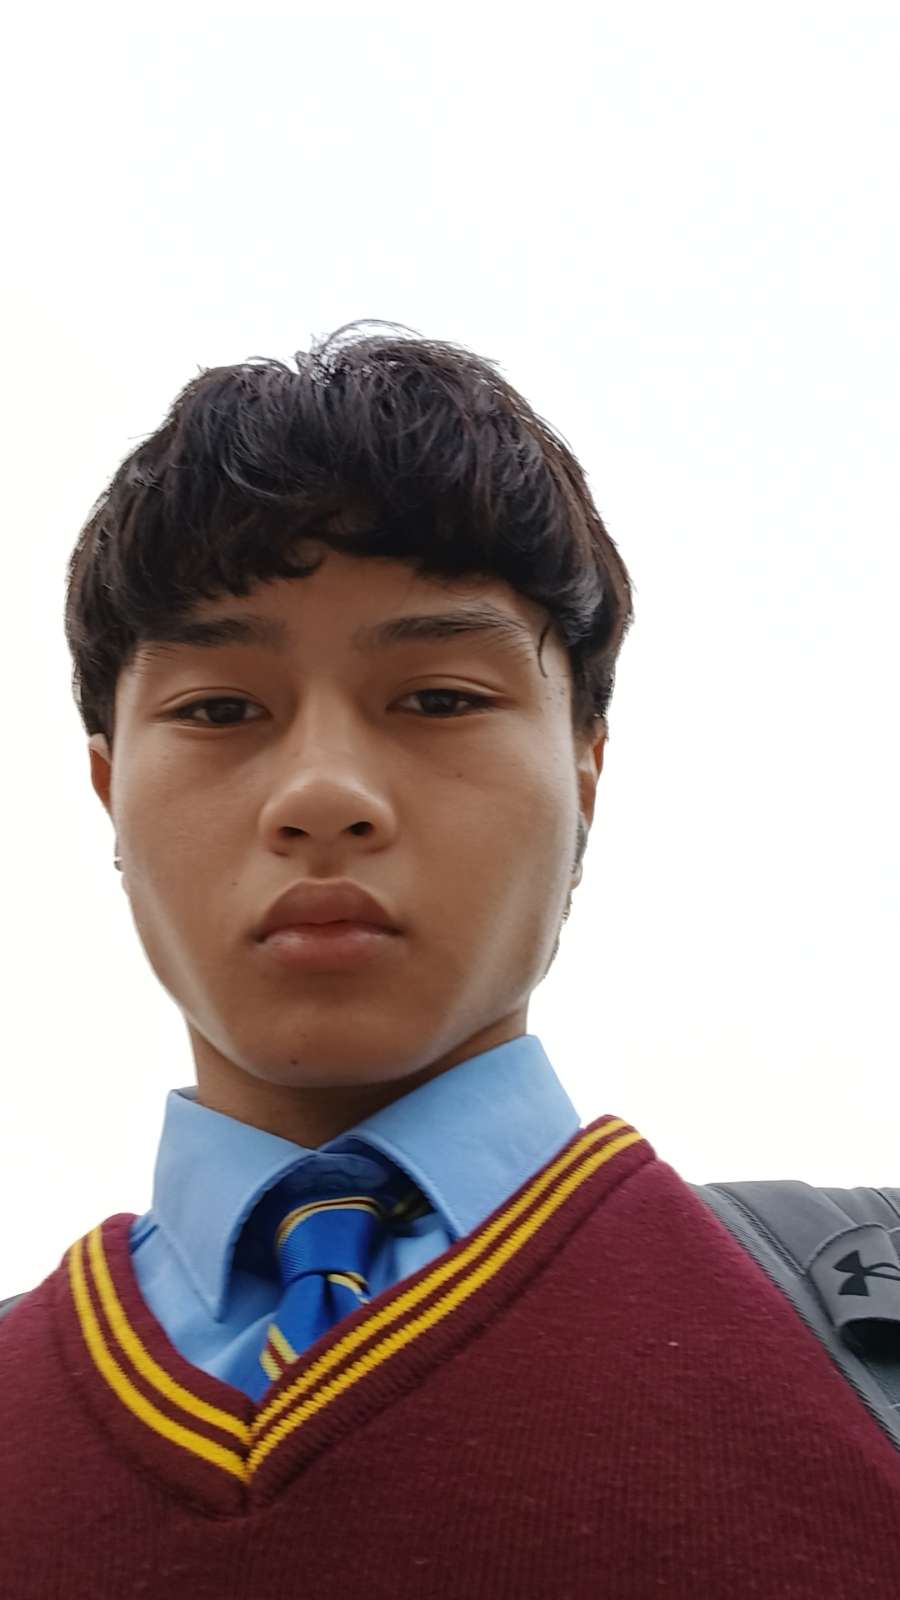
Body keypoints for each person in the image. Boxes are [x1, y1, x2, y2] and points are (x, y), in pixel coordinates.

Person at [1, 321, 897, 1597]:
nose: (322, 792)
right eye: (219, 709)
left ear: (585, 771)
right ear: (108, 790)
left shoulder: (861, 1346)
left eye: (439, 699)